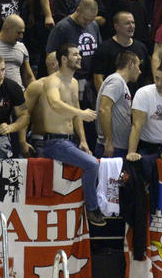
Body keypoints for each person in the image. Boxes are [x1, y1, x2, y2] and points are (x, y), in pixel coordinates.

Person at [35, 44, 106, 227]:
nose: (80, 57)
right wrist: (81, 113)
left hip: (71, 141)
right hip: (54, 141)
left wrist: (83, 140)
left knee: (93, 161)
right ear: (64, 59)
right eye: (75, 54)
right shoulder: (52, 81)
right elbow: (55, 104)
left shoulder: (74, 83)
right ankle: (92, 208)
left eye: (80, 54)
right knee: (91, 164)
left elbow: (75, 115)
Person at [95, 51, 141, 158]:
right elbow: (104, 109)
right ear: (130, 64)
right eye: (138, 66)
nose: (140, 71)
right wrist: (109, 141)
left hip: (117, 147)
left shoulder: (121, 83)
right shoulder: (116, 81)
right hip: (112, 148)